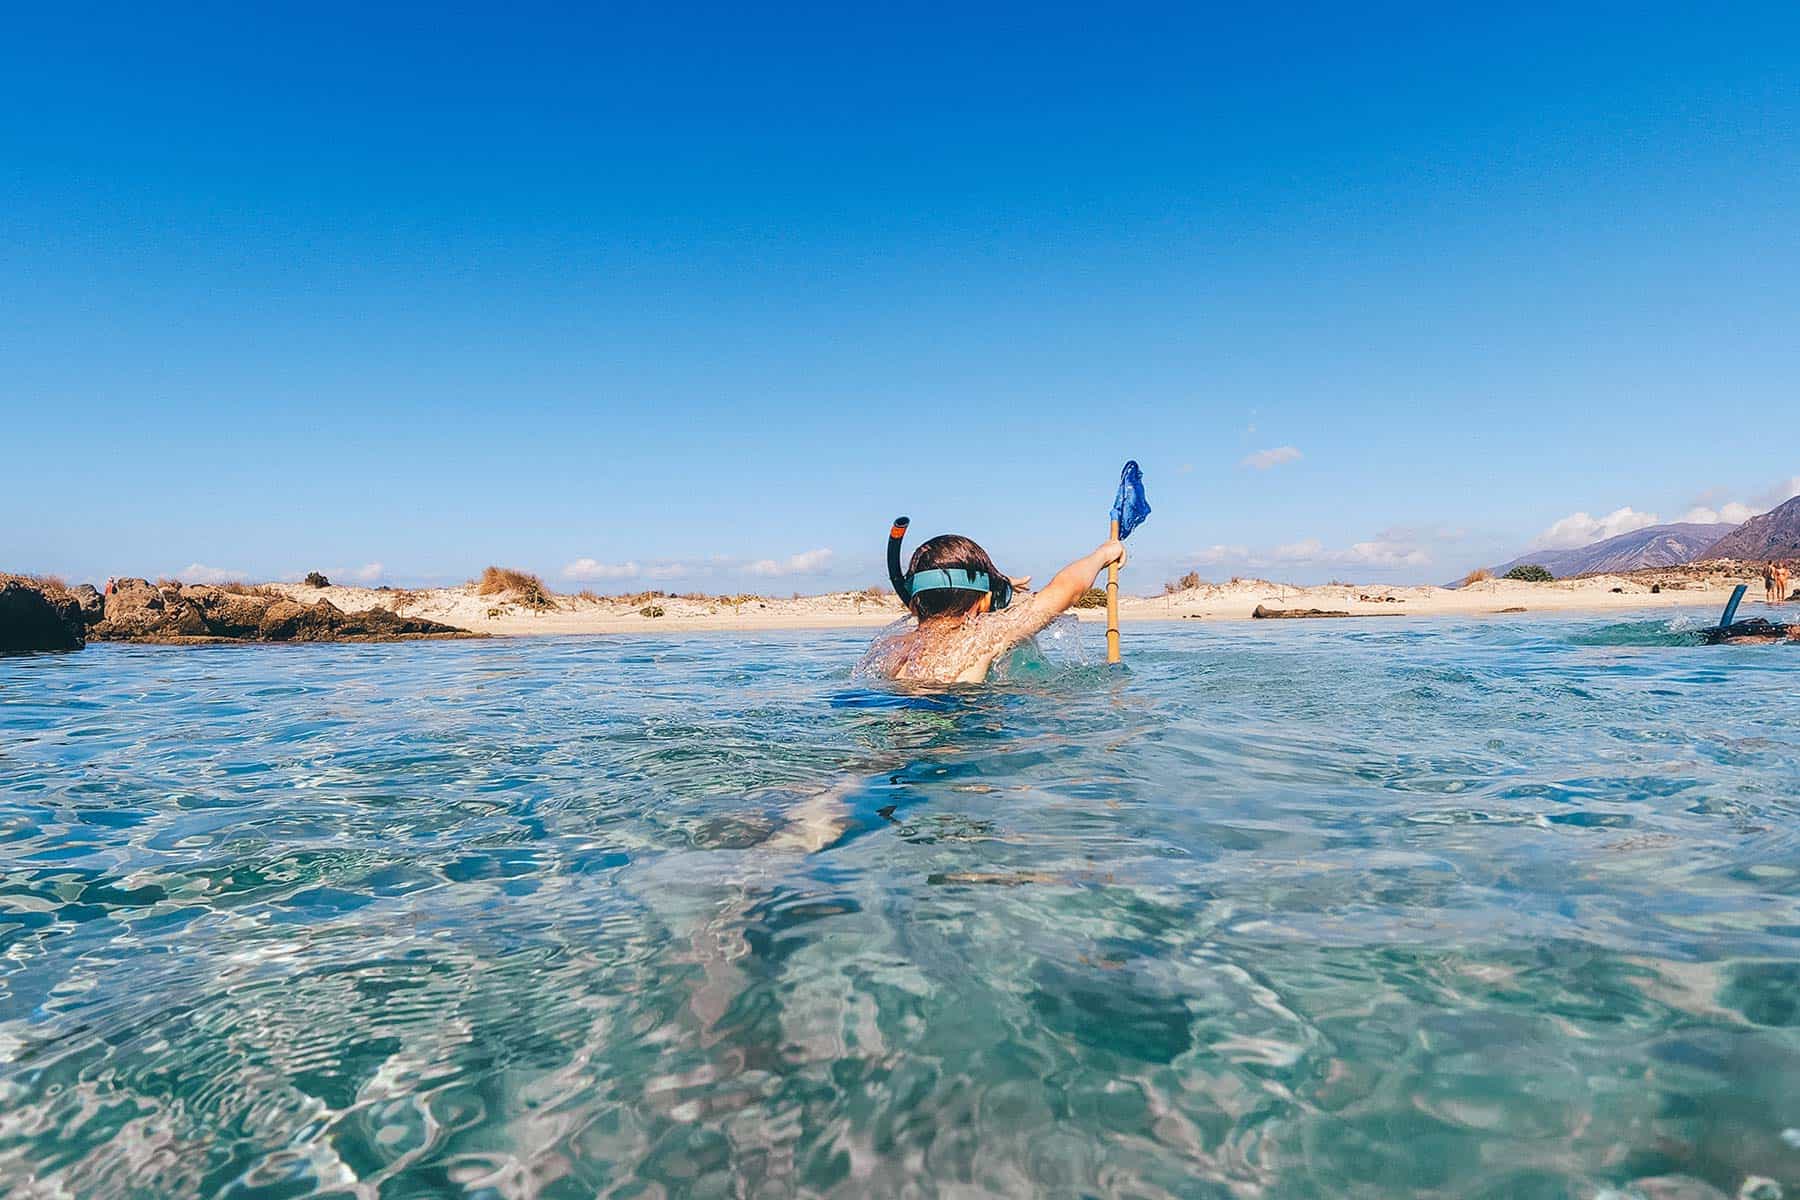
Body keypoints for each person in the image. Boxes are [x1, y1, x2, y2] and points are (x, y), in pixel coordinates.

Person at [862, 527, 1126, 683]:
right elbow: (1065, 590)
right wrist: (1103, 554)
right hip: (952, 734)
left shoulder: (892, 646)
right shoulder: (984, 636)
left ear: (913, 604)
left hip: (896, 720)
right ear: (986, 600)